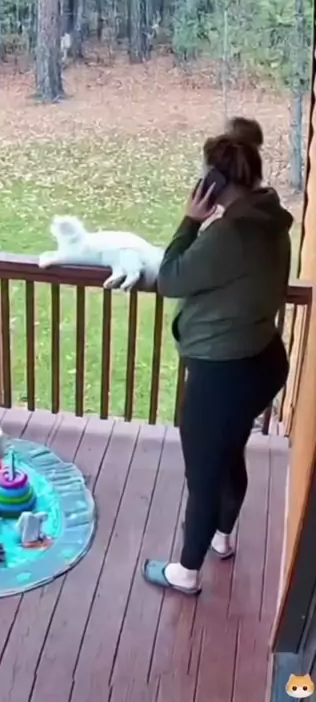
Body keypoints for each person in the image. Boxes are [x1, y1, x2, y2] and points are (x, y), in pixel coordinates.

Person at [142, 133, 291, 595]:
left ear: (214, 180)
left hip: (224, 373)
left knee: (205, 472)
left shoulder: (231, 234)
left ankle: (186, 573)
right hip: (263, 360)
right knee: (229, 452)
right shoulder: (270, 218)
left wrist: (190, 221)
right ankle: (222, 538)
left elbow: (170, 278)